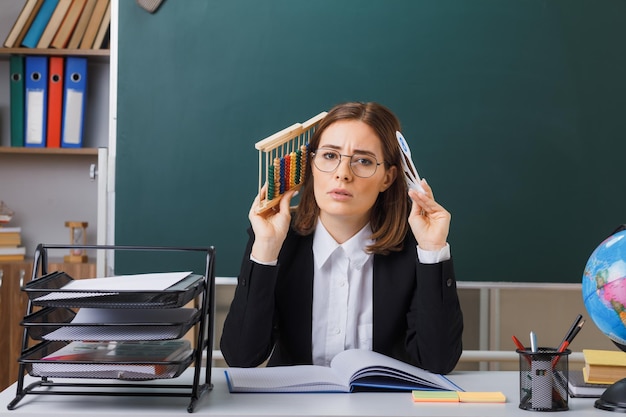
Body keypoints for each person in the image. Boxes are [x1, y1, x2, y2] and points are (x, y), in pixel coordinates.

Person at [220, 101, 463, 375]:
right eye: (329, 156)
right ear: (310, 164)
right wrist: (265, 250)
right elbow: (241, 357)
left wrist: (432, 251)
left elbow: (438, 362)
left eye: (363, 161)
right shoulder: (277, 240)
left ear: (387, 177)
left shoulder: (414, 248)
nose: (342, 174)